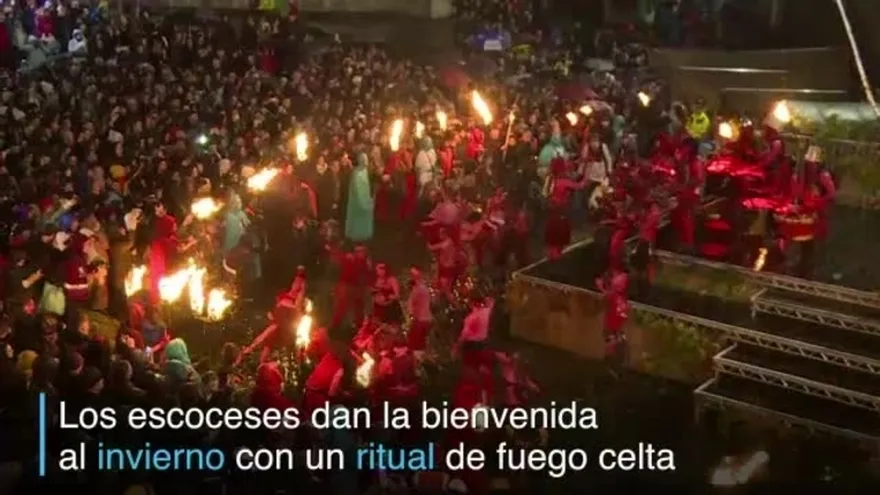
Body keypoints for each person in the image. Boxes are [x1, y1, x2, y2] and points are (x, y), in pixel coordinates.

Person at [344, 153, 375, 243]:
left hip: (366, 200)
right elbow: (357, 189)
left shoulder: (365, 172)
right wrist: (362, 202)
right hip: (358, 202)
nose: (366, 162)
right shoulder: (357, 173)